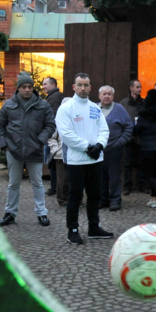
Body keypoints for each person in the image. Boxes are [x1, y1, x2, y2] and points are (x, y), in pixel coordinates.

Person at [56, 73, 113, 244]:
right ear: (73, 87)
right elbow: (66, 135)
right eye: (79, 85)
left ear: (90, 87)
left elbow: (104, 129)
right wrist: (88, 147)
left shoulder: (95, 108)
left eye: (86, 85)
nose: (83, 88)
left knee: (95, 195)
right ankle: (72, 230)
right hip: (76, 160)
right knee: (75, 196)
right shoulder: (66, 108)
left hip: (95, 159)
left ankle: (93, 227)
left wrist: (100, 146)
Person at [0, 72, 56, 227]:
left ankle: (42, 213)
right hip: (13, 150)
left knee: (37, 183)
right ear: (19, 88)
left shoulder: (43, 105)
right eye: (24, 87)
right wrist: (4, 144)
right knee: (13, 183)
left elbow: (50, 125)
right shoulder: (8, 105)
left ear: (33, 88)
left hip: (34, 150)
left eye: (29, 87)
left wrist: (40, 140)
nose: (27, 90)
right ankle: (10, 213)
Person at [98, 85, 133, 211]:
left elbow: (129, 127)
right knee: (100, 177)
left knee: (114, 177)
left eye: (109, 94)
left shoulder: (119, 109)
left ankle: (115, 200)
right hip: (98, 150)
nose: (106, 96)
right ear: (99, 96)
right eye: (104, 94)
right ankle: (103, 199)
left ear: (113, 96)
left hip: (115, 149)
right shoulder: (94, 109)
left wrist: (120, 142)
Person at [133, 89, 156, 210]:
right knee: (154, 173)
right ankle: (153, 200)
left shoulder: (143, 113)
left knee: (148, 174)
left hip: (147, 148)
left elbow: (137, 130)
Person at [120, 80, 147, 195]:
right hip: (128, 137)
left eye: (140, 87)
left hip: (141, 137)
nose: (139, 89)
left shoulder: (144, 103)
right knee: (127, 164)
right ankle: (127, 186)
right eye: (137, 87)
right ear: (131, 88)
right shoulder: (124, 103)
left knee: (142, 163)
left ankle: (143, 185)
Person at [42, 77, 64, 196]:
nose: (43, 86)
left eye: (45, 84)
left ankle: (55, 187)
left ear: (53, 85)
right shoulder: (53, 96)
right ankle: (55, 186)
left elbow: (53, 116)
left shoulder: (54, 98)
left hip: (52, 134)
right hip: (53, 133)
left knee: (52, 161)